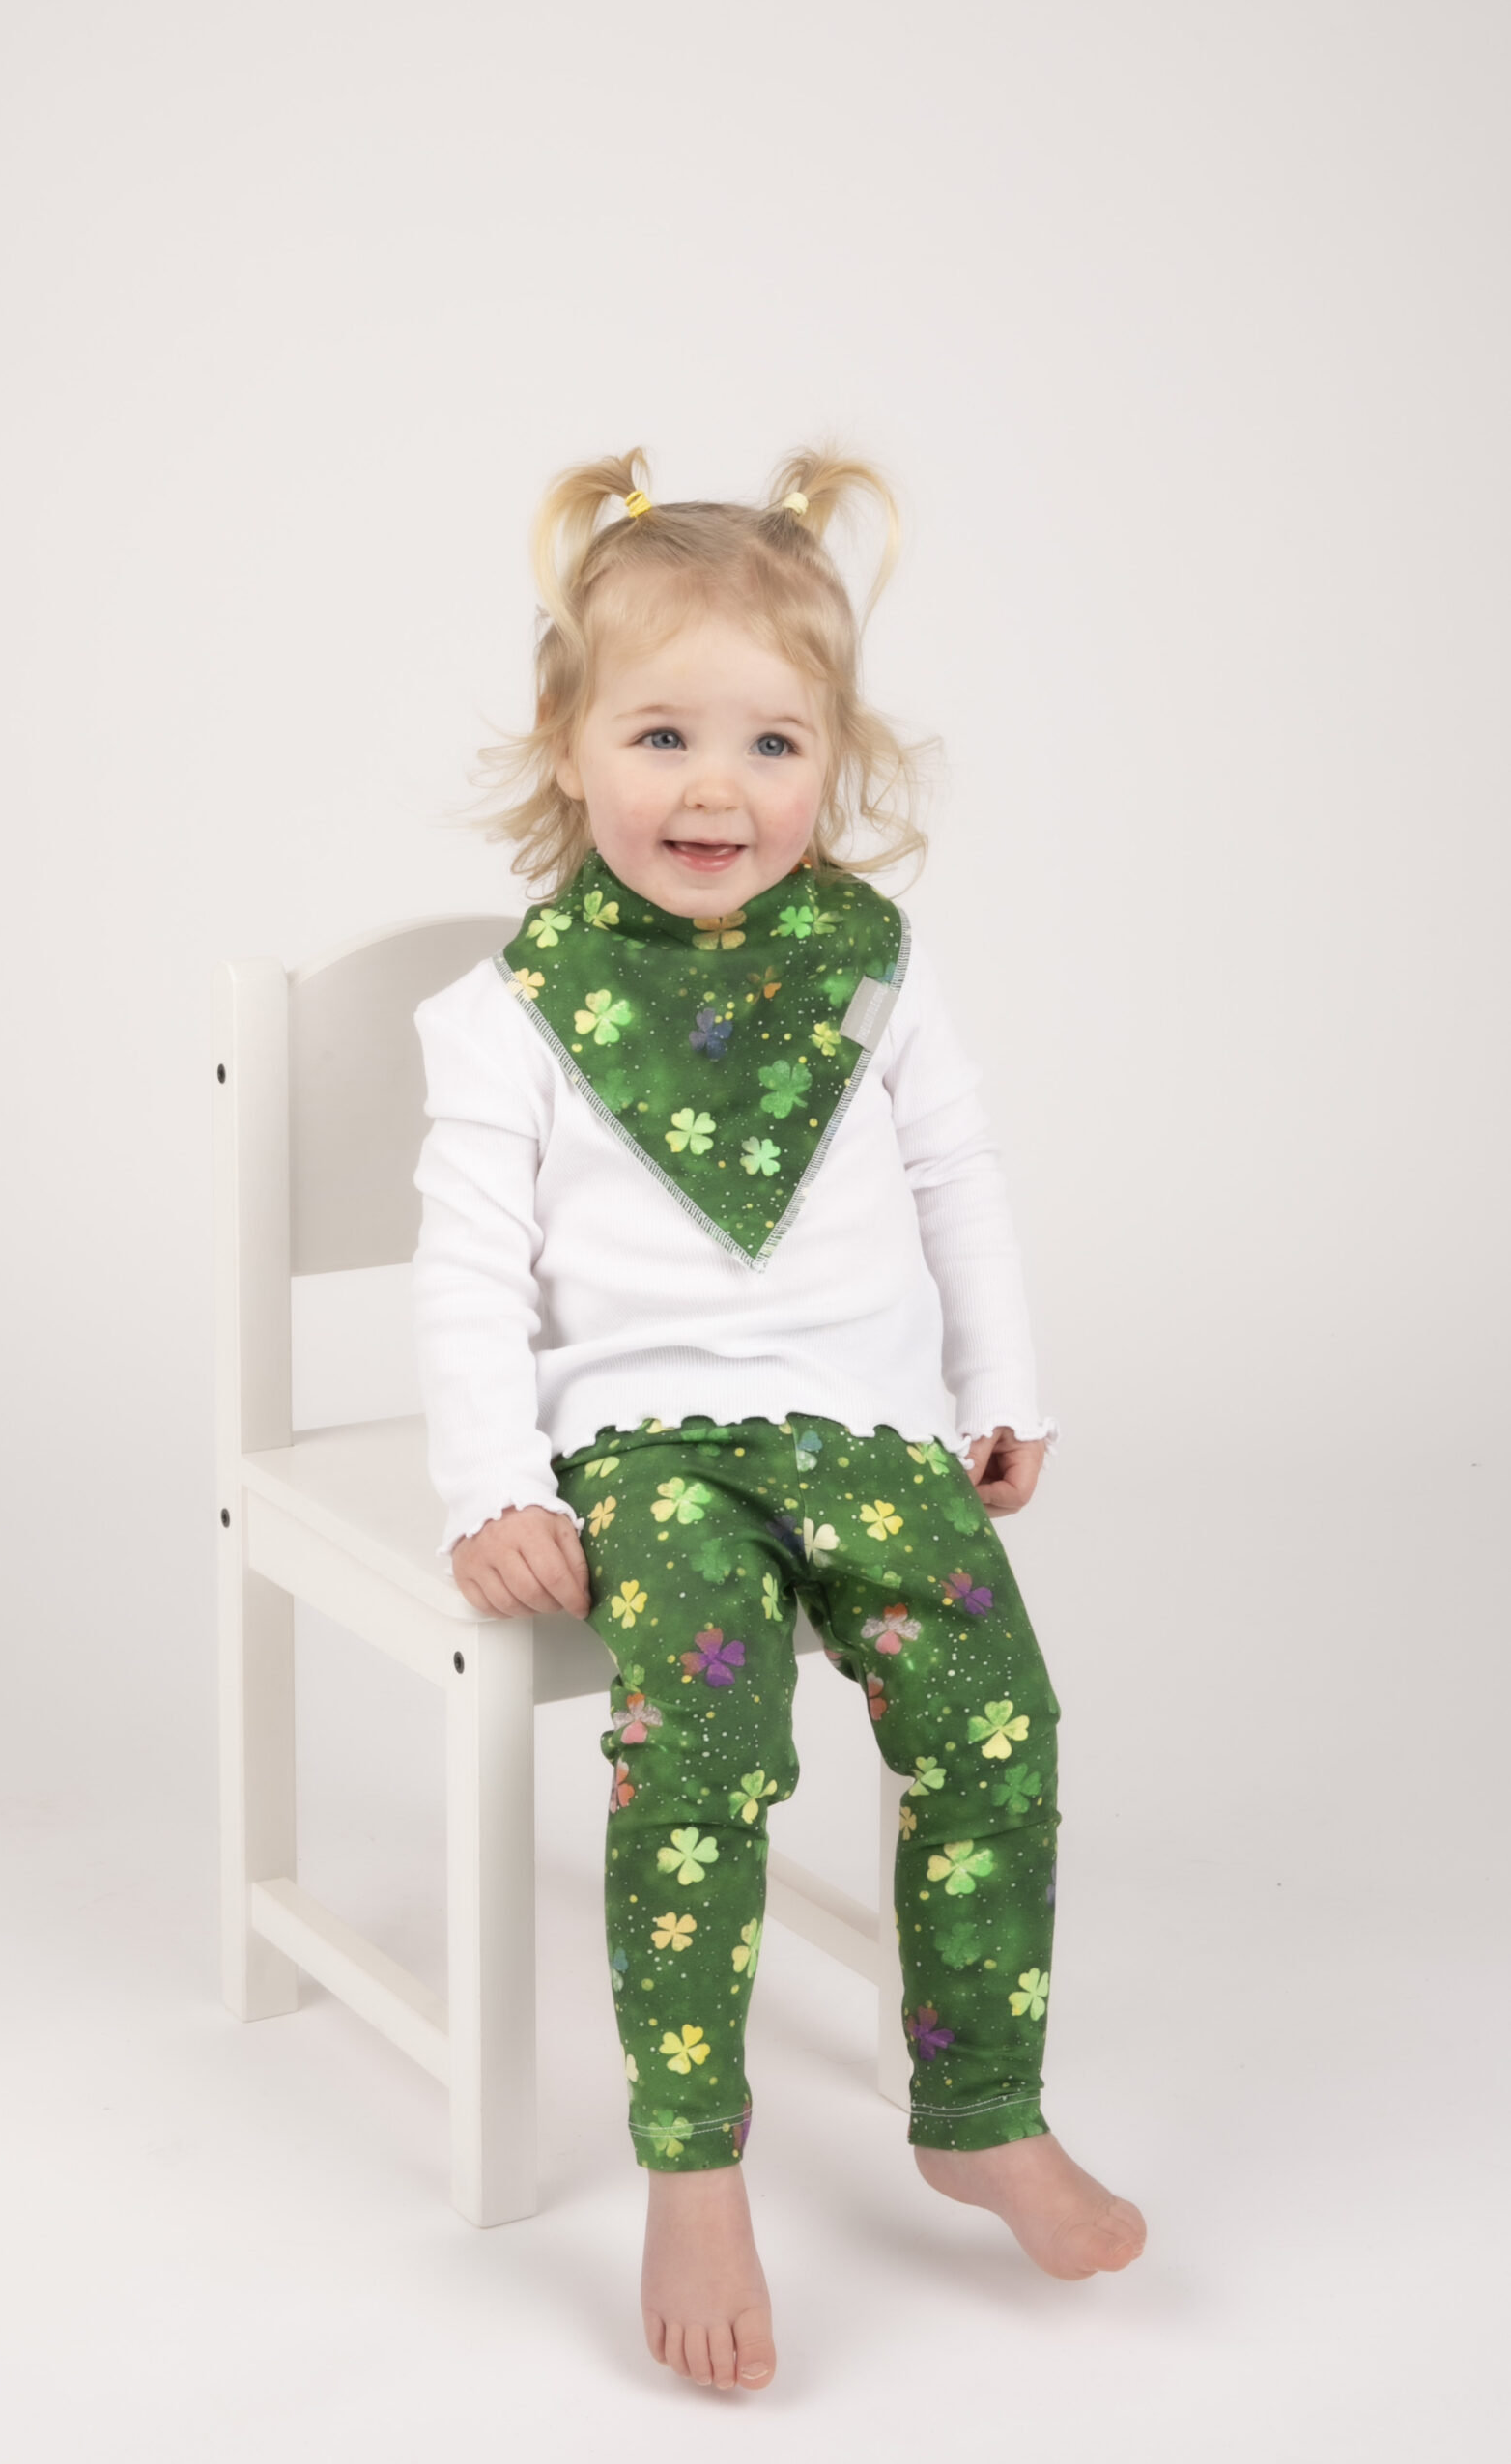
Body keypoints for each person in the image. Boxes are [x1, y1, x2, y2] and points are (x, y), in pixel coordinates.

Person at [409, 447, 1145, 2393]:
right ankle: (693, 2162)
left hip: (870, 1431)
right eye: (660, 734)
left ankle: (976, 2106)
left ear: (836, 758)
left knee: (998, 1720)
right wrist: (491, 1480)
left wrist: (997, 1383)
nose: (714, 790)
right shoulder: (513, 1008)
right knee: (705, 1747)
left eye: (769, 742)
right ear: (567, 743)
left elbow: (959, 1174)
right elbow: (465, 1264)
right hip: (651, 1450)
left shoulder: (871, 966)